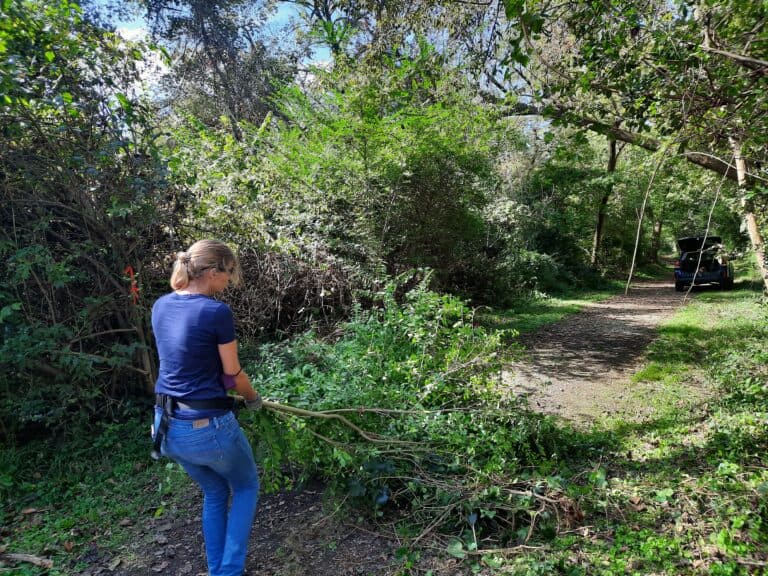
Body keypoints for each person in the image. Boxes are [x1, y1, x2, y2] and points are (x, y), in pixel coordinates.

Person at [151, 239, 262, 576]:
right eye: (228, 274)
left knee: (215, 491)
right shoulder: (216, 312)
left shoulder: (161, 305)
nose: (228, 282)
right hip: (206, 428)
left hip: (166, 427)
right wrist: (254, 399)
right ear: (213, 271)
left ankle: (218, 570)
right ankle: (228, 571)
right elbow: (232, 375)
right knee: (246, 486)